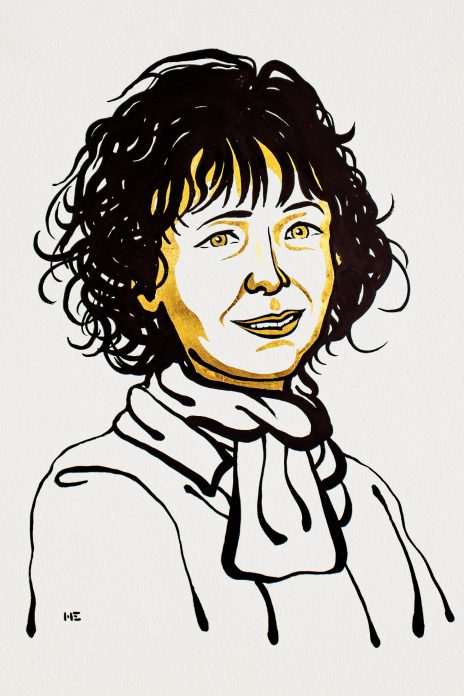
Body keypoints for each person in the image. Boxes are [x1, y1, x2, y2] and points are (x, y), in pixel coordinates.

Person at [27, 49, 453, 648]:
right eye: (224, 238)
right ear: (143, 274)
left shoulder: (363, 495)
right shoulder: (101, 498)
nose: (270, 276)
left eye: (299, 230)